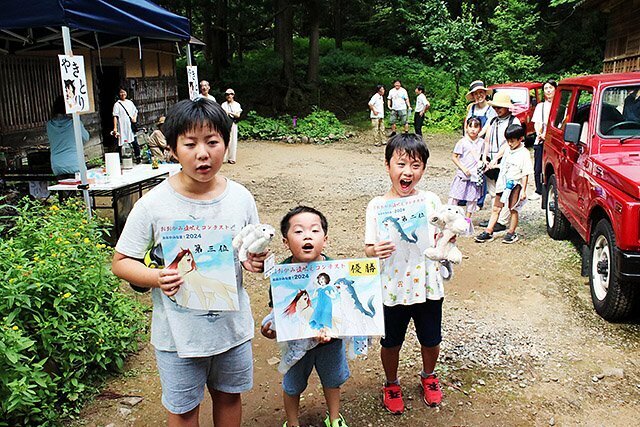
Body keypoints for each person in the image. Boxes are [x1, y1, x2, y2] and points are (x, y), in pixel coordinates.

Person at [111, 98, 267, 427]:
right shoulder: (154, 204)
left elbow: (249, 250)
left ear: (226, 144)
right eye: (190, 143)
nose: (202, 153)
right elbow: (122, 261)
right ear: (172, 148)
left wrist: (254, 260)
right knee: (183, 410)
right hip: (177, 335)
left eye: (212, 142)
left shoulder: (240, 198)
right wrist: (156, 277)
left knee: (228, 396)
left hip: (231, 329)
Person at [364, 134, 445, 414]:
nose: (407, 172)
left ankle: (428, 376)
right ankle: (391, 382)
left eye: (416, 165)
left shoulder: (431, 201)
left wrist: (448, 240)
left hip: (428, 285)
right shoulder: (377, 206)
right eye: (401, 164)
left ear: (423, 169)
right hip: (392, 288)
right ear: (388, 166)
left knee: (431, 338)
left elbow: (445, 233)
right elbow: (367, 248)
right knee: (391, 341)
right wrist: (376, 249)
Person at [261, 206, 350, 427]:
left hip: (330, 342)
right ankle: (292, 422)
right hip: (295, 344)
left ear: (325, 239)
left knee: (332, 381)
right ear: (285, 241)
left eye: (314, 230)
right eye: (298, 231)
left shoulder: (336, 271)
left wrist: (336, 330)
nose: (307, 235)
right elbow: (279, 314)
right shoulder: (280, 276)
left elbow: (343, 309)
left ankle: (335, 418)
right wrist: (271, 329)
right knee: (292, 385)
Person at [475, 124, 533, 244]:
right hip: (502, 184)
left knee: (513, 209)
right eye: (508, 141)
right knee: (496, 208)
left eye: (512, 141)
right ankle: (488, 231)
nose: (510, 143)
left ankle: (511, 232)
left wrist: (523, 190)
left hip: (515, 185)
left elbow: (525, 173)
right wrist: (494, 165)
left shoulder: (524, 153)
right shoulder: (507, 149)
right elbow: (505, 164)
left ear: (520, 139)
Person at [479, 92, 522, 232]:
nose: (497, 110)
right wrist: (485, 156)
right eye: (496, 107)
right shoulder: (493, 121)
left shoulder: (513, 122)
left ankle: (502, 220)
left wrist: (497, 158)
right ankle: (495, 218)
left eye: (500, 107)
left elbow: (508, 142)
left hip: (506, 160)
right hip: (491, 160)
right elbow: (487, 138)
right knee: (493, 191)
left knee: (505, 190)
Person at [448, 117, 484, 217]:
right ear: (466, 128)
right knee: (454, 197)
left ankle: (467, 220)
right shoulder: (462, 142)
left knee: (472, 199)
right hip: (462, 175)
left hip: (475, 176)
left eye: (476, 127)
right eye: (470, 126)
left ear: (480, 129)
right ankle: (450, 218)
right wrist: (463, 168)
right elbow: (454, 157)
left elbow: (483, 157)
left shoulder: (482, 143)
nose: (473, 129)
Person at [47, 95, 90, 176]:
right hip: (75, 164)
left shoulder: (49, 125)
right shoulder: (75, 123)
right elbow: (86, 138)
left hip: (57, 166)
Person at [531, 79, 557, 200]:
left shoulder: (560, 107)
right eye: (546, 88)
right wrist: (540, 134)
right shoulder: (540, 106)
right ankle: (538, 190)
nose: (548, 91)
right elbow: (536, 122)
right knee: (537, 166)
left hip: (554, 140)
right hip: (541, 139)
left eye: (550, 88)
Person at [112, 87, 141, 163]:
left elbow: (135, 111)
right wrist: (115, 128)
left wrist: (134, 118)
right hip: (122, 126)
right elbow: (115, 116)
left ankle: (138, 157)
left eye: (124, 92)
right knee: (121, 143)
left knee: (134, 141)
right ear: (119, 94)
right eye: (121, 92)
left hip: (130, 125)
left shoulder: (130, 102)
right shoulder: (117, 104)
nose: (122, 94)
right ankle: (120, 160)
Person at [221, 88, 242, 164]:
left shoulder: (237, 104)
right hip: (226, 123)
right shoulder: (223, 104)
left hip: (233, 123)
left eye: (230, 94)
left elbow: (238, 115)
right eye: (227, 94)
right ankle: (223, 157)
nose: (229, 96)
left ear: (233, 95)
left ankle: (232, 158)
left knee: (233, 140)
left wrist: (229, 112)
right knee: (225, 139)